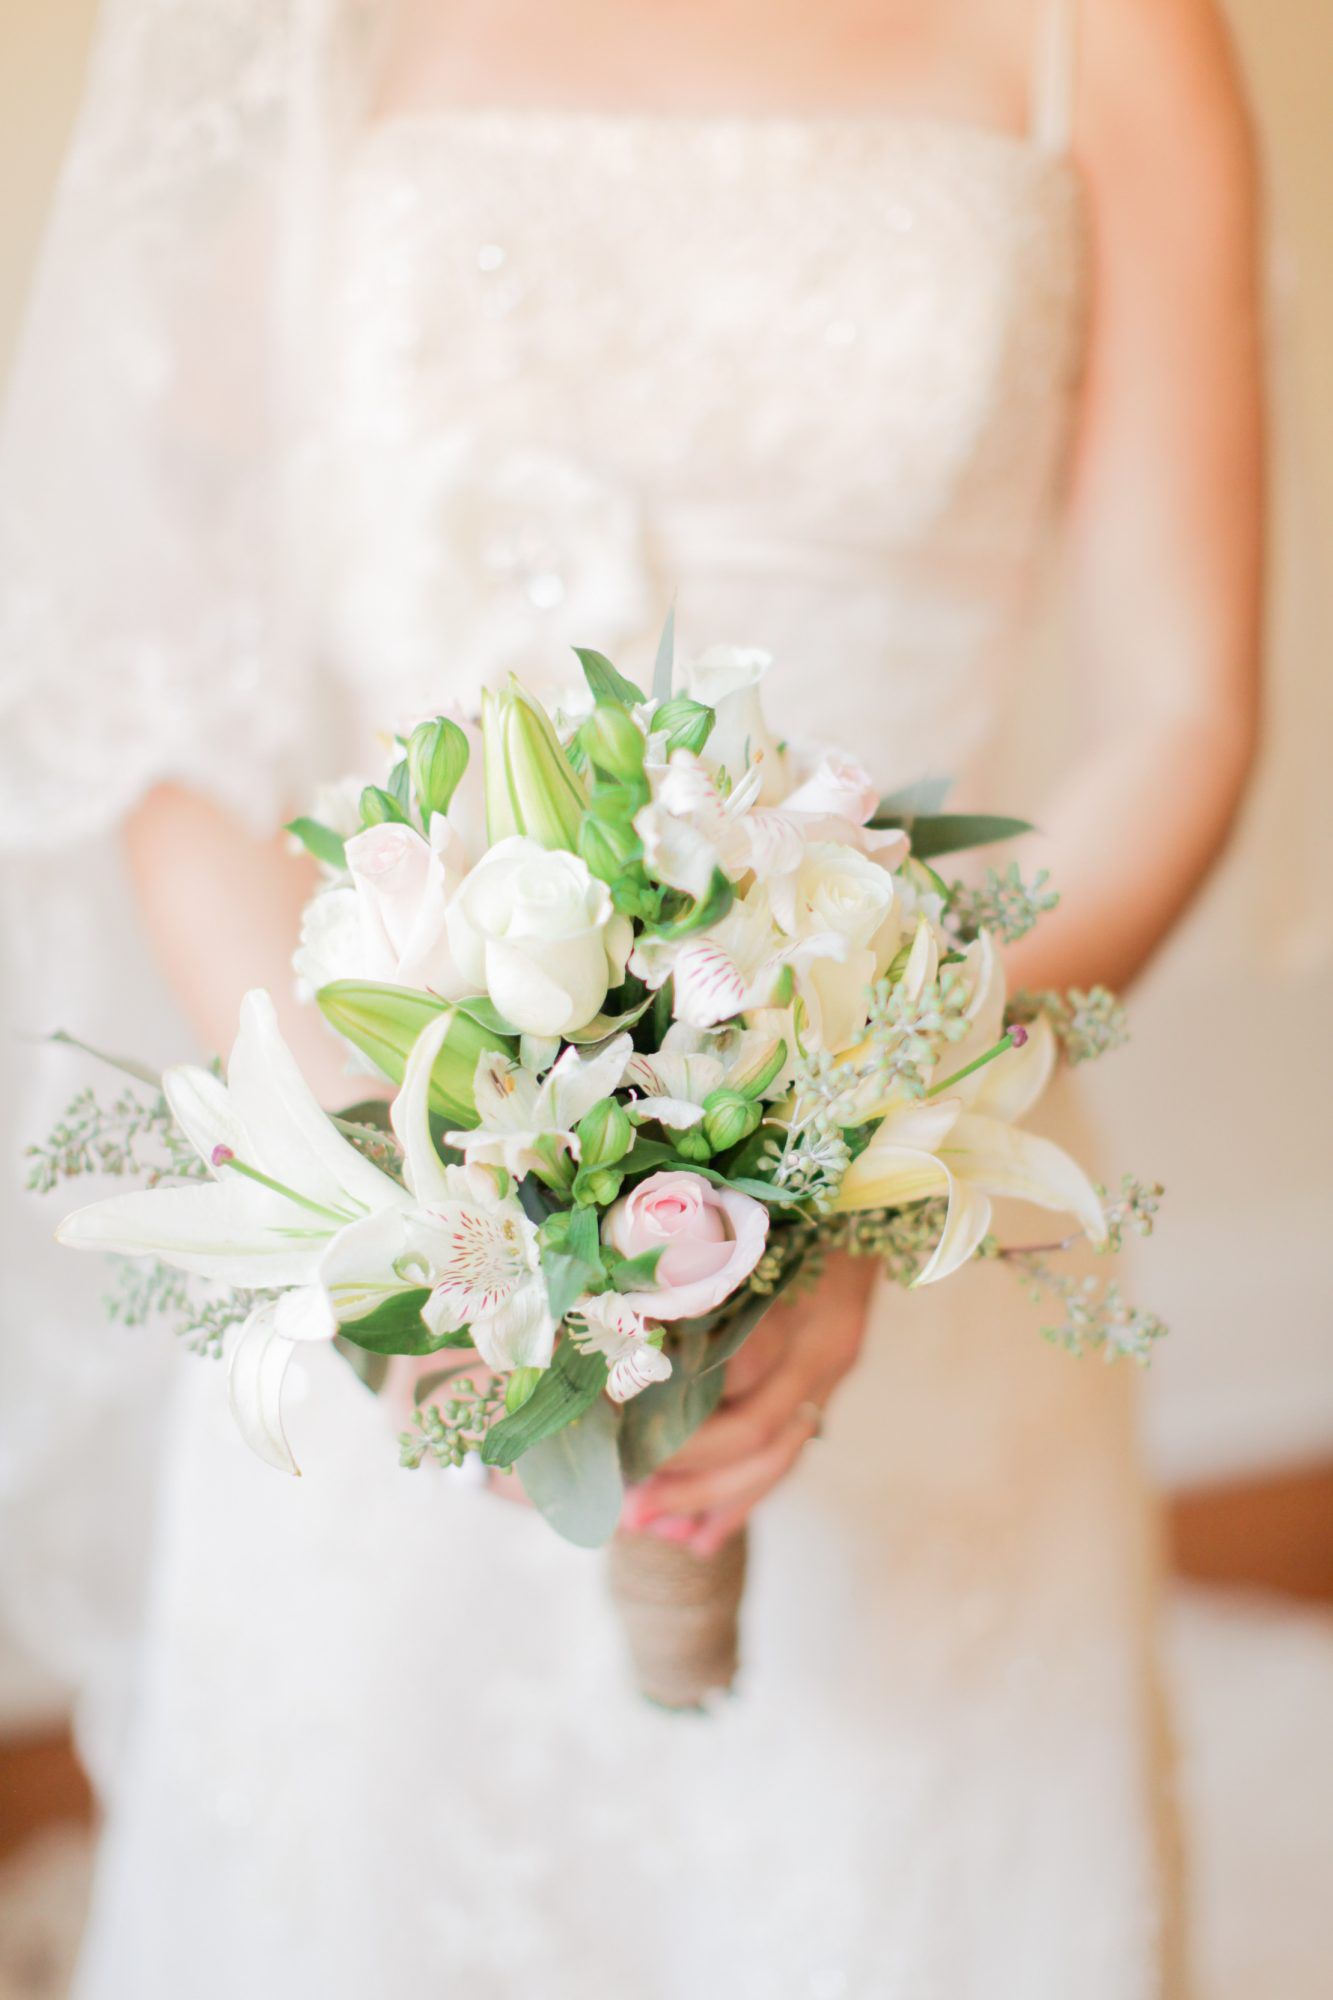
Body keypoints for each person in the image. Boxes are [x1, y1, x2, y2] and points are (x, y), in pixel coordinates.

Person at [2, 2, 1262, 1993]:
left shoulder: (1103, 32)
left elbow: (1184, 708)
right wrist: (405, 1216)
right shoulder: (298, 31)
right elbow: (160, 694)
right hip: (396, 1163)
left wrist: (856, 1166)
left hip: (923, 1154)